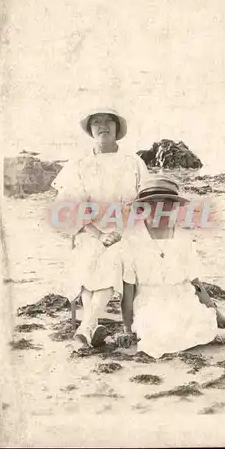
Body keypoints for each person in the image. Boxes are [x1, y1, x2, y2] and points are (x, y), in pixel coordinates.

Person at [118, 175, 225, 359]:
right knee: (156, 335)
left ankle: (217, 319)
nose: (160, 211)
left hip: (181, 296)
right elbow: (128, 289)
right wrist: (127, 327)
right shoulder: (132, 239)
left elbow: (194, 282)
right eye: (153, 205)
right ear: (143, 208)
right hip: (150, 302)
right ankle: (212, 334)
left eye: (167, 205)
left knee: (201, 320)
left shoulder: (182, 237)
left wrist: (215, 312)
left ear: (173, 208)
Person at [52, 108, 148, 347]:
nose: (102, 126)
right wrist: (99, 233)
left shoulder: (133, 161)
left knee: (115, 256)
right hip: (91, 229)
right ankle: (89, 324)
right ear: (90, 129)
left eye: (108, 121)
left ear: (117, 128)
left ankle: (87, 324)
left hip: (127, 229)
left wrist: (122, 231)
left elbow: (144, 202)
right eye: (96, 122)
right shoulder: (80, 164)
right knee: (88, 255)